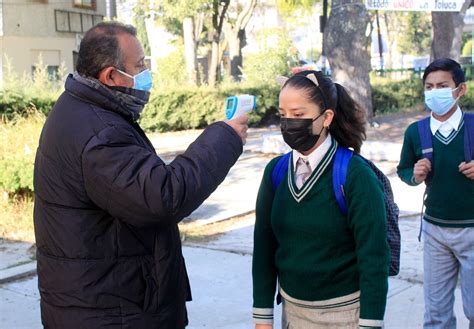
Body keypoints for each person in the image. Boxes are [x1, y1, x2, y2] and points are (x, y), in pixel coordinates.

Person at [33, 22, 248, 329]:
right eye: (140, 65)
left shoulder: (80, 109)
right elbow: (163, 196)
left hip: (98, 301)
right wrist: (225, 137)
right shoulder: (100, 134)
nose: (147, 73)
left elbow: (137, 183)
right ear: (110, 75)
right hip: (111, 312)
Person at [252, 70, 389, 329]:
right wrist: (262, 317)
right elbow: (264, 247)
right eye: (283, 114)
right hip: (291, 314)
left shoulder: (355, 175)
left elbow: (374, 258)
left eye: (299, 114)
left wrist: (370, 324)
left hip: (344, 316)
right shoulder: (276, 172)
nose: (288, 122)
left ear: (326, 118)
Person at [397, 58, 473, 329]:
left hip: (472, 229)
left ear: (460, 89)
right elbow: (404, 170)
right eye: (429, 86)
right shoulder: (416, 132)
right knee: (436, 314)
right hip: (434, 231)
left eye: (443, 85)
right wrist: (414, 175)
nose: (434, 92)